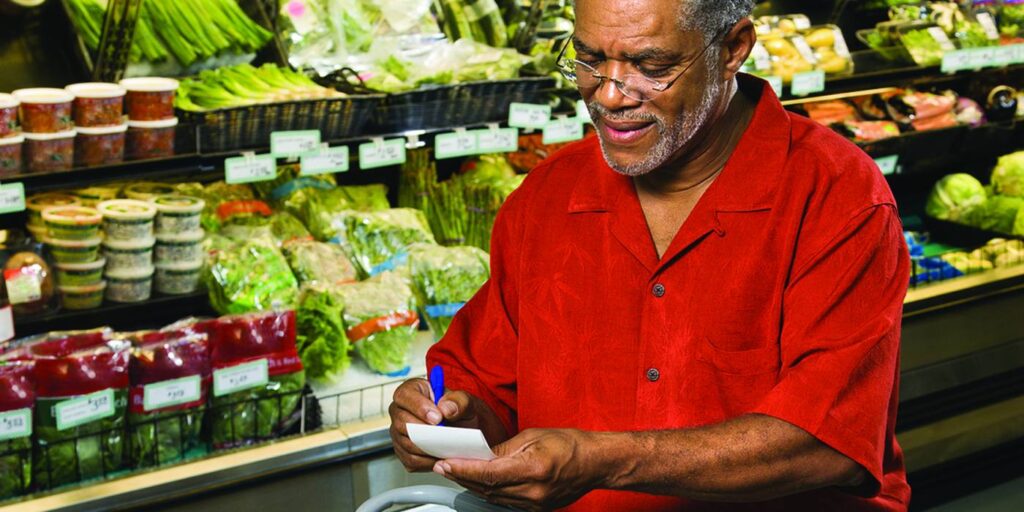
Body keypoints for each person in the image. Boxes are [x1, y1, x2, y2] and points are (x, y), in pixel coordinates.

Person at [388, 0, 911, 510]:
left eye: (651, 66)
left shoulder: (837, 195)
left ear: (733, 48)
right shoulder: (545, 197)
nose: (609, 95)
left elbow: (829, 442)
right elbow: (485, 383)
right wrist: (455, 420)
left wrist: (601, 460)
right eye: (589, 58)